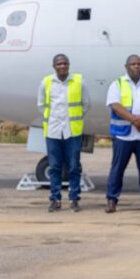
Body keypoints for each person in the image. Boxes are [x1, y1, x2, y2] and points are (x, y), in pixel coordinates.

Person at [104, 55, 140, 213]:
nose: (136, 66)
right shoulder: (117, 84)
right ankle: (112, 200)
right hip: (124, 135)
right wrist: (134, 120)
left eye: (139, 64)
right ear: (126, 66)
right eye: (133, 64)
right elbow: (115, 105)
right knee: (117, 169)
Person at [36, 54, 90, 212]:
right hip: (53, 131)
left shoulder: (79, 81)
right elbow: (41, 105)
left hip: (72, 131)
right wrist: (53, 119)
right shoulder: (46, 82)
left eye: (65, 63)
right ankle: (55, 199)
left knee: (74, 167)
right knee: (54, 167)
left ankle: (74, 199)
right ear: (54, 66)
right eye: (59, 64)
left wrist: (74, 119)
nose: (62, 66)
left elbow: (86, 104)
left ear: (69, 65)